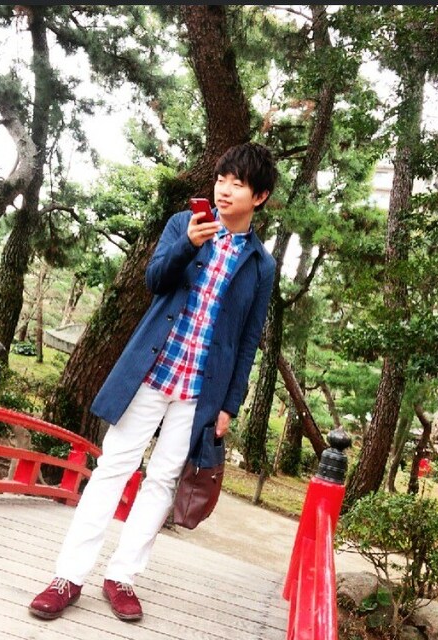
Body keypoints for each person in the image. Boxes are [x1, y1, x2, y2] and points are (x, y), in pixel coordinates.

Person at [28, 141, 278, 623]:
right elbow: (155, 281)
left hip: (200, 390)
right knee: (113, 468)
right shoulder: (183, 226)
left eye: (238, 183)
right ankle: (68, 577)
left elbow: (248, 340)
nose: (224, 189)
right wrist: (188, 245)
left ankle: (122, 577)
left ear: (260, 196)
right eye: (221, 179)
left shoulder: (260, 265)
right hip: (153, 370)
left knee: (162, 479)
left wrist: (230, 404)